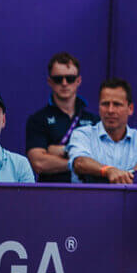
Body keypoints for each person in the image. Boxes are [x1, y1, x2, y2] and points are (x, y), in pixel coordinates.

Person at [23, 51, 99, 183]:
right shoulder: (38, 119)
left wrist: (62, 150)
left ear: (78, 81)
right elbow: (39, 163)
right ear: (50, 82)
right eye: (58, 79)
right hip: (52, 195)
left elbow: (102, 158)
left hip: (89, 193)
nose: (64, 83)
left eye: (70, 78)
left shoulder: (94, 121)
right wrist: (80, 163)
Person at [67, 78, 137, 185]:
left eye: (117, 104)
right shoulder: (82, 134)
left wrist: (124, 176)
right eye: (105, 104)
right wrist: (108, 171)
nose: (110, 110)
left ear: (130, 108)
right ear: (99, 107)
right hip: (88, 200)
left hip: (130, 200)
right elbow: (79, 163)